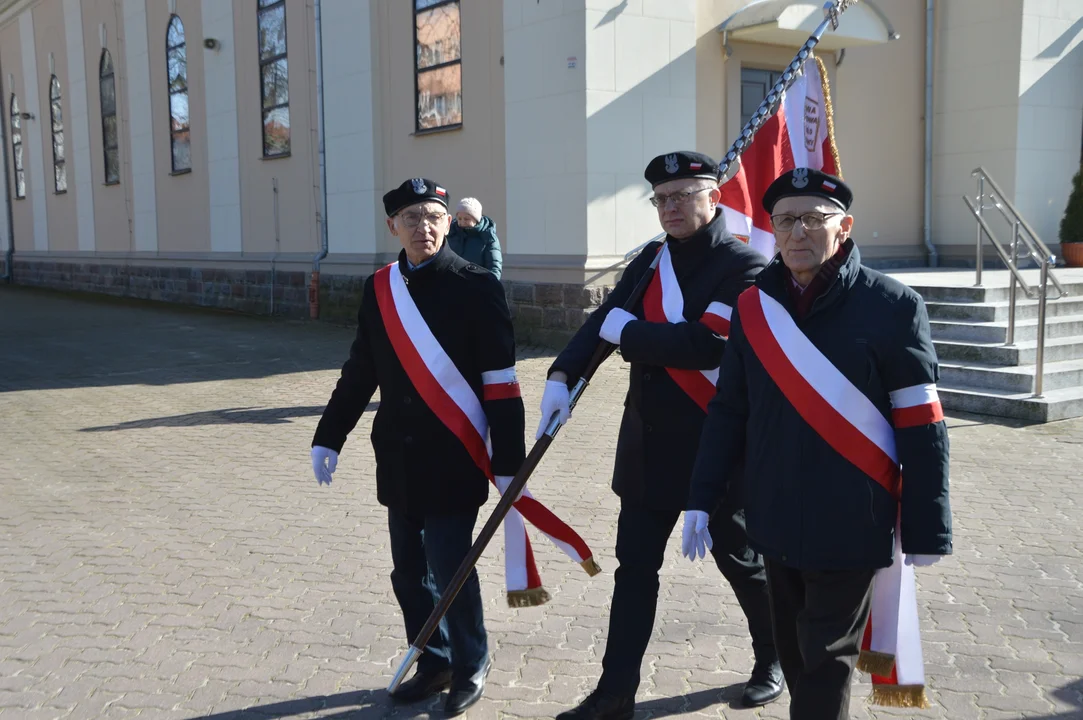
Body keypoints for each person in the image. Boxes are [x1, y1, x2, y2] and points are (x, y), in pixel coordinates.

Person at [684, 167, 953, 719]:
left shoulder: (893, 306)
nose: (797, 232)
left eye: (813, 218)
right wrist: (700, 496)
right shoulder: (754, 308)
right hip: (774, 517)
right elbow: (729, 411)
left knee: (827, 658)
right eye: (785, 220)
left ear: (845, 227)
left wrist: (928, 526)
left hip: (854, 519)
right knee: (796, 654)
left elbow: (922, 426)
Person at [542, 151, 783, 720]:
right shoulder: (652, 260)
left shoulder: (746, 265)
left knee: (742, 562)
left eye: (682, 195)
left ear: (713, 198)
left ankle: (773, 656)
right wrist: (562, 374)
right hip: (650, 446)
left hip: (715, 451)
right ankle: (614, 693)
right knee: (634, 571)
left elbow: (707, 345)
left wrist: (631, 334)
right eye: (661, 199)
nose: (670, 207)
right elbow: (606, 321)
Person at [309, 178, 526, 716]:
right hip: (399, 456)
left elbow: (501, 381)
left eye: (433, 215)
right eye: (411, 217)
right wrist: (329, 435)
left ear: (448, 222)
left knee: (451, 564)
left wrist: (509, 463)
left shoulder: (477, 285)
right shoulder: (380, 288)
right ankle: (436, 660)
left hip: (456, 452)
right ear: (393, 227)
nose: (423, 226)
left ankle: (472, 662)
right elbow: (362, 369)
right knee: (408, 570)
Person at [448, 197, 503, 279]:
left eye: (466, 219)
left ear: (476, 219)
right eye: (459, 218)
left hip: (477, 286)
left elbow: (494, 267)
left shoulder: (488, 237)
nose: (462, 222)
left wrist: (488, 287)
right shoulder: (450, 233)